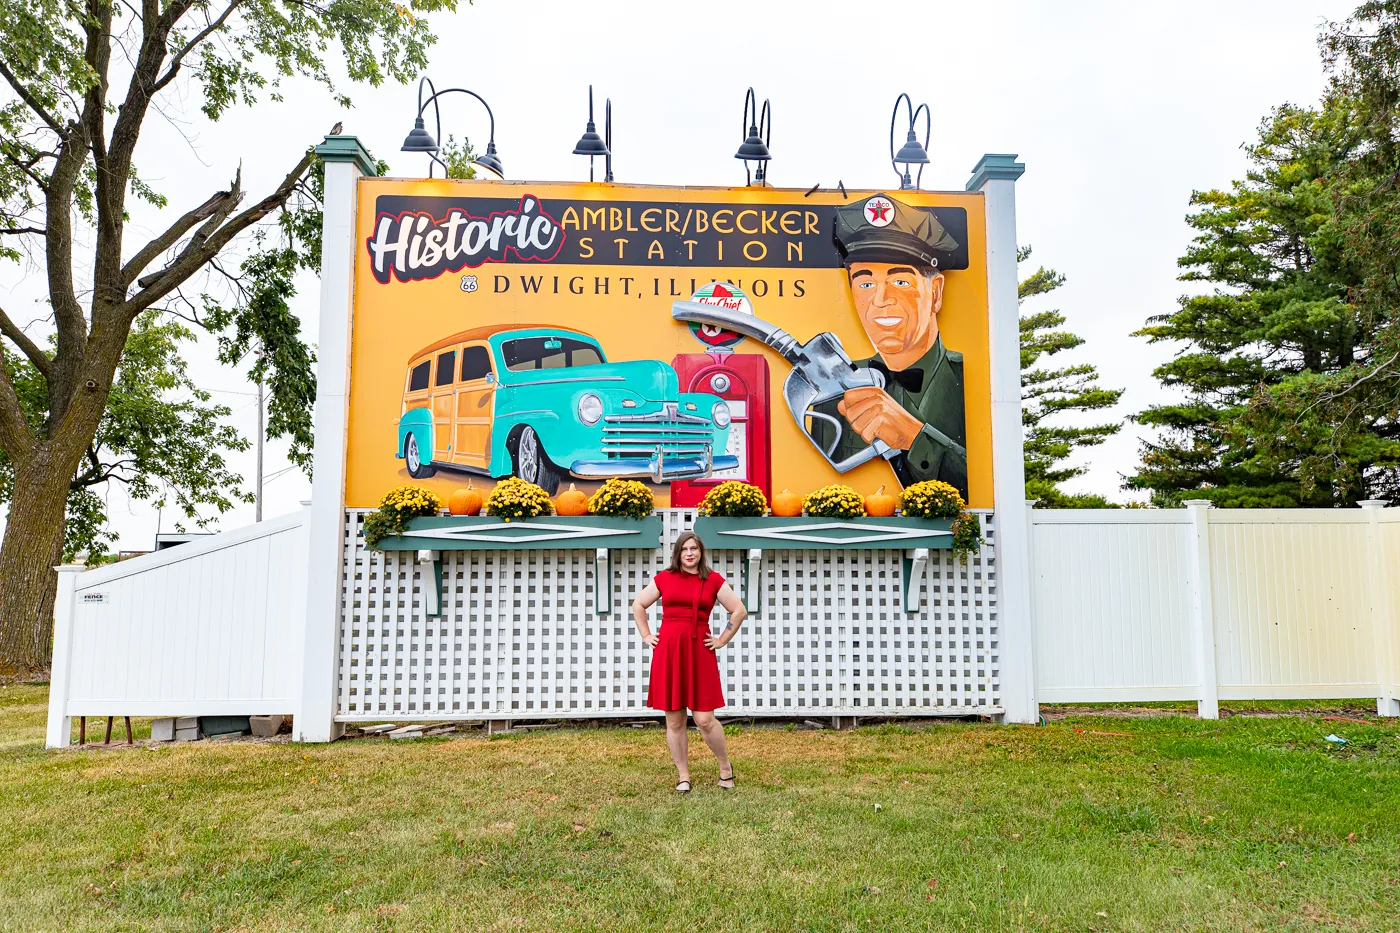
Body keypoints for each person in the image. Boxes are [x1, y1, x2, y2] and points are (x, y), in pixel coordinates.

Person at [810, 193, 969, 499]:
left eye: (900, 282)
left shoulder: (971, 380)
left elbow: (989, 483)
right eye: (865, 283)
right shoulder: (835, 392)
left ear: (935, 292)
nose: (880, 301)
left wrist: (913, 436)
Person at [631, 531, 747, 793]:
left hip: (699, 651)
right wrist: (647, 635)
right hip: (669, 652)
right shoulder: (665, 578)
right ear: (678, 554)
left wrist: (722, 639)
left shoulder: (713, 580)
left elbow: (739, 610)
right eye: (684, 549)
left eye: (694, 548)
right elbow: (638, 604)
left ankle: (725, 768)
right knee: (674, 720)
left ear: (700, 552)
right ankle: (683, 775)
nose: (690, 553)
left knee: (705, 719)